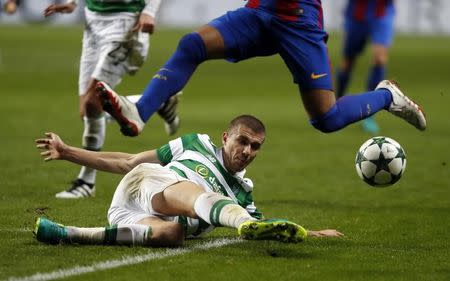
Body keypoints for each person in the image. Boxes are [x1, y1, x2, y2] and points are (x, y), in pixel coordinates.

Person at [94, 0, 426, 138]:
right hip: (259, 11)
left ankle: (386, 96)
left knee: (327, 118)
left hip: (297, 19)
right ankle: (140, 111)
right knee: (192, 45)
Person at [35, 115, 343, 247]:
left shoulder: (243, 194)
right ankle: (238, 222)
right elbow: (128, 162)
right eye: (242, 141)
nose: (247, 151)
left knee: (173, 234)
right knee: (196, 197)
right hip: (148, 182)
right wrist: (67, 152)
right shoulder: (197, 144)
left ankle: (69, 233)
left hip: (130, 214)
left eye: (256, 146)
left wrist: (314, 233)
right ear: (226, 137)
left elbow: (273, 226)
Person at [43, 0, 180, 199]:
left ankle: (86, 182)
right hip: (92, 22)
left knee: (93, 102)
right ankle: (156, 100)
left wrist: (149, 11)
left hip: (125, 23)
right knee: (88, 111)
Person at [335, 0, 396, 134]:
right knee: (348, 62)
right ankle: (335, 107)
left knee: (380, 59)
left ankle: (370, 115)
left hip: (381, 13)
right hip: (357, 13)